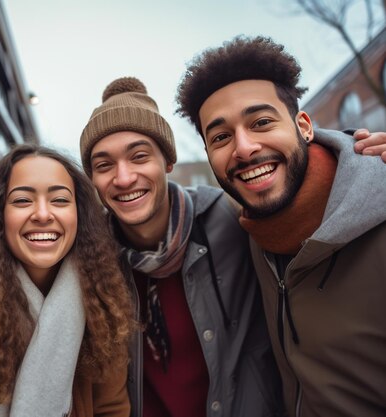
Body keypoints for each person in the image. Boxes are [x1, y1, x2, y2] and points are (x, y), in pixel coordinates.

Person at [176, 35, 386, 417]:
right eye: (221, 137)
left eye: (261, 122)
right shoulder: (253, 234)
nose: (243, 148)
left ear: (304, 126)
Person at [79, 77, 285, 417]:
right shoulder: (90, 258)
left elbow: (302, 194)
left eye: (140, 156)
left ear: (168, 162)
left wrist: (354, 151)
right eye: (104, 165)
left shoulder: (230, 217)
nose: (124, 177)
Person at [0, 144, 136, 417]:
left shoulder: (104, 302)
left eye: (59, 200)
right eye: (22, 200)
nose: (43, 214)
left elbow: (112, 409)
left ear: (79, 214)